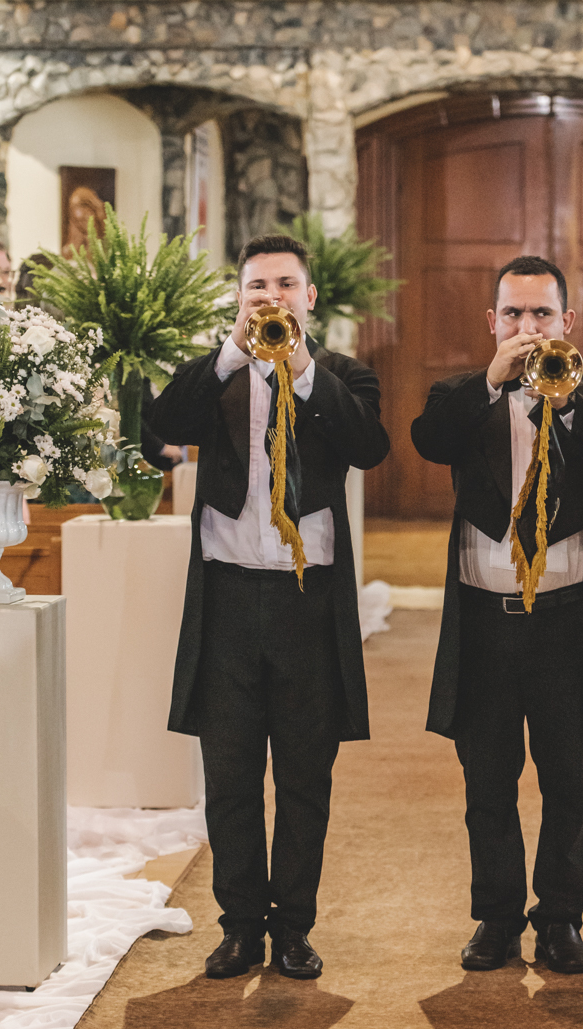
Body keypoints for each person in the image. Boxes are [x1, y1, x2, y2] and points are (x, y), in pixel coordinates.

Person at [151, 234, 389, 980]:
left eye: (286, 284)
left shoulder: (343, 375)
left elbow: (368, 445)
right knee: (227, 777)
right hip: (225, 598)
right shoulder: (212, 376)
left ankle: (294, 927)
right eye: (258, 285)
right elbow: (165, 424)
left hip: (304, 600)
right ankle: (238, 925)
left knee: (302, 777)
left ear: (309, 296)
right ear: (238, 295)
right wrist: (232, 350)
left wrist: (301, 369)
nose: (272, 297)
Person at [411, 256, 583, 975]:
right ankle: (496, 918)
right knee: (487, 777)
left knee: (568, 779)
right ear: (491, 322)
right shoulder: (460, 395)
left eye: (541, 314)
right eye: (512, 314)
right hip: (484, 618)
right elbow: (429, 441)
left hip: (564, 618)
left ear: (567, 323)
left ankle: (561, 919)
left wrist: (566, 401)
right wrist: (490, 380)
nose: (526, 327)